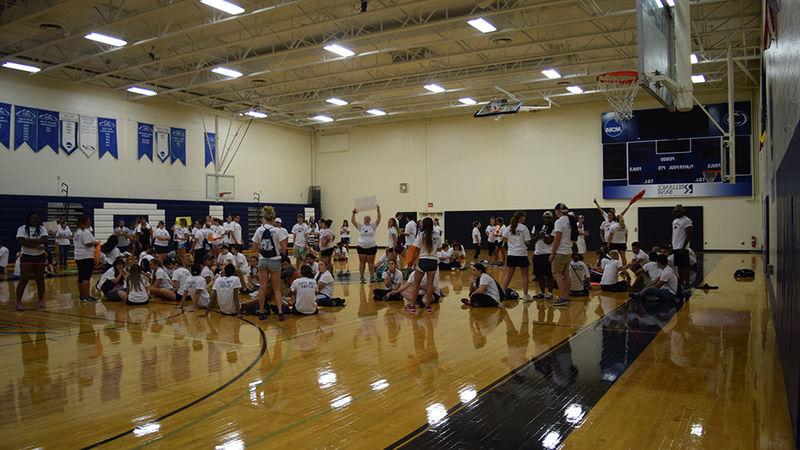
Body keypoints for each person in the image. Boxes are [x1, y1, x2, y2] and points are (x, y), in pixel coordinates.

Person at [253, 205, 289, 321]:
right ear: (273, 218)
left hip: (263, 260)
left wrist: (262, 253)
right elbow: (284, 247)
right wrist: (280, 254)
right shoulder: (277, 230)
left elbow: (254, 247)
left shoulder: (259, 230)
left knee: (262, 287)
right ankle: (280, 312)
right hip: (275, 260)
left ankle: (262, 311)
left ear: (263, 217)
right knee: (276, 288)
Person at [15, 213, 50, 310]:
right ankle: (18, 301)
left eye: (36, 218)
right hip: (27, 256)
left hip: (40, 257)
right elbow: (22, 242)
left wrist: (29, 241)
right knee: (23, 280)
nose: (34, 220)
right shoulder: (22, 229)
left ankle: (41, 300)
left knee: (40, 280)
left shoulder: (42, 228)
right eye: (32, 218)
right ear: (28, 219)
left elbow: (45, 240)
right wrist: (37, 245)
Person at [409, 217, 441, 312]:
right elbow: (439, 248)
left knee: (416, 284)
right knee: (430, 284)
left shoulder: (421, 235)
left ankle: (412, 305)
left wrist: (413, 262)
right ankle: (427, 306)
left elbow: (416, 250)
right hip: (433, 261)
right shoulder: (437, 235)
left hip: (423, 260)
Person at [550, 203, 577, 307]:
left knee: (556, 273)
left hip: (560, 252)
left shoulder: (559, 221)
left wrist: (552, 253)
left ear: (558, 211)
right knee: (566, 275)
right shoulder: (570, 220)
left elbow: (557, 238)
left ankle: (562, 298)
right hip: (568, 251)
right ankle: (567, 296)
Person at [501, 211, 532, 300]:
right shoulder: (524, 228)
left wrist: (511, 242)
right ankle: (526, 295)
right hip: (522, 254)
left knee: (509, 275)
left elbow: (503, 238)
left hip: (511, 254)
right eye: (524, 217)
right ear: (521, 218)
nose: (525, 219)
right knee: (525, 276)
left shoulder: (509, 227)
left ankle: (502, 293)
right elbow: (528, 241)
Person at [352, 205, 382, 283]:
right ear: (364, 220)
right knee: (362, 262)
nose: (367, 220)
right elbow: (353, 221)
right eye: (366, 218)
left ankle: (372, 277)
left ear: (370, 220)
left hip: (371, 247)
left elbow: (379, 219)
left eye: (368, 219)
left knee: (371, 263)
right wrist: (353, 213)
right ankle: (362, 277)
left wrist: (378, 211)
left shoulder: (373, 226)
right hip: (361, 247)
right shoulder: (361, 226)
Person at [73, 215, 99, 303]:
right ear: (84, 222)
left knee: (81, 276)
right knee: (86, 277)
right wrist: (96, 243)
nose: (90, 222)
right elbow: (87, 243)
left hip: (78, 256)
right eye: (88, 221)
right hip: (86, 256)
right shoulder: (84, 233)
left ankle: (82, 295)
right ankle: (86, 296)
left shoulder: (77, 232)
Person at [532, 211, 555, 299]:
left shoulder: (554, 227)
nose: (546, 219)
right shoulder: (537, 226)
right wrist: (538, 235)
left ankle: (550, 293)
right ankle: (542, 292)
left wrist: (543, 236)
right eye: (545, 217)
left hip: (548, 253)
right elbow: (532, 241)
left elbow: (549, 241)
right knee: (539, 275)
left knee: (549, 275)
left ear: (551, 218)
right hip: (537, 253)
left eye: (548, 217)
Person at [671, 204, 693, 291]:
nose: (677, 213)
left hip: (682, 247)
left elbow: (689, 234)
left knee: (685, 266)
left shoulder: (687, 220)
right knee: (679, 267)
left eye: (679, 211)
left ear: (682, 211)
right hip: (676, 247)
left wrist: (683, 247)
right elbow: (674, 235)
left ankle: (687, 284)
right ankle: (681, 283)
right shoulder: (674, 221)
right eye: (676, 211)